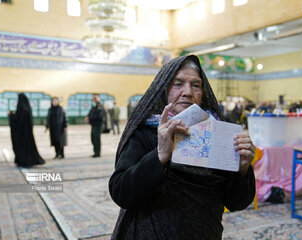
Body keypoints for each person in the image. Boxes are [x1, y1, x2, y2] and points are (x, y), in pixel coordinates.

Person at [109, 55, 256, 239]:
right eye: (178, 84)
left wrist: (242, 169)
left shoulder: (218, 134)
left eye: (196, 85)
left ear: (203, 93)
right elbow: (121, 193)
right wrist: (160, 154)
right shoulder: (144, 132)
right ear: (164, 90)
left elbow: (237, 202)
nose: (187, 92)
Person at [8, 93, 45, 167]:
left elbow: (17, 120)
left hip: (21, 135)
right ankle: (27, 161)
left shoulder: (21, 110)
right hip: (28, 134)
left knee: (20, 147)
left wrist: (10, 115)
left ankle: (22, 161)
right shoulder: (28, 109)